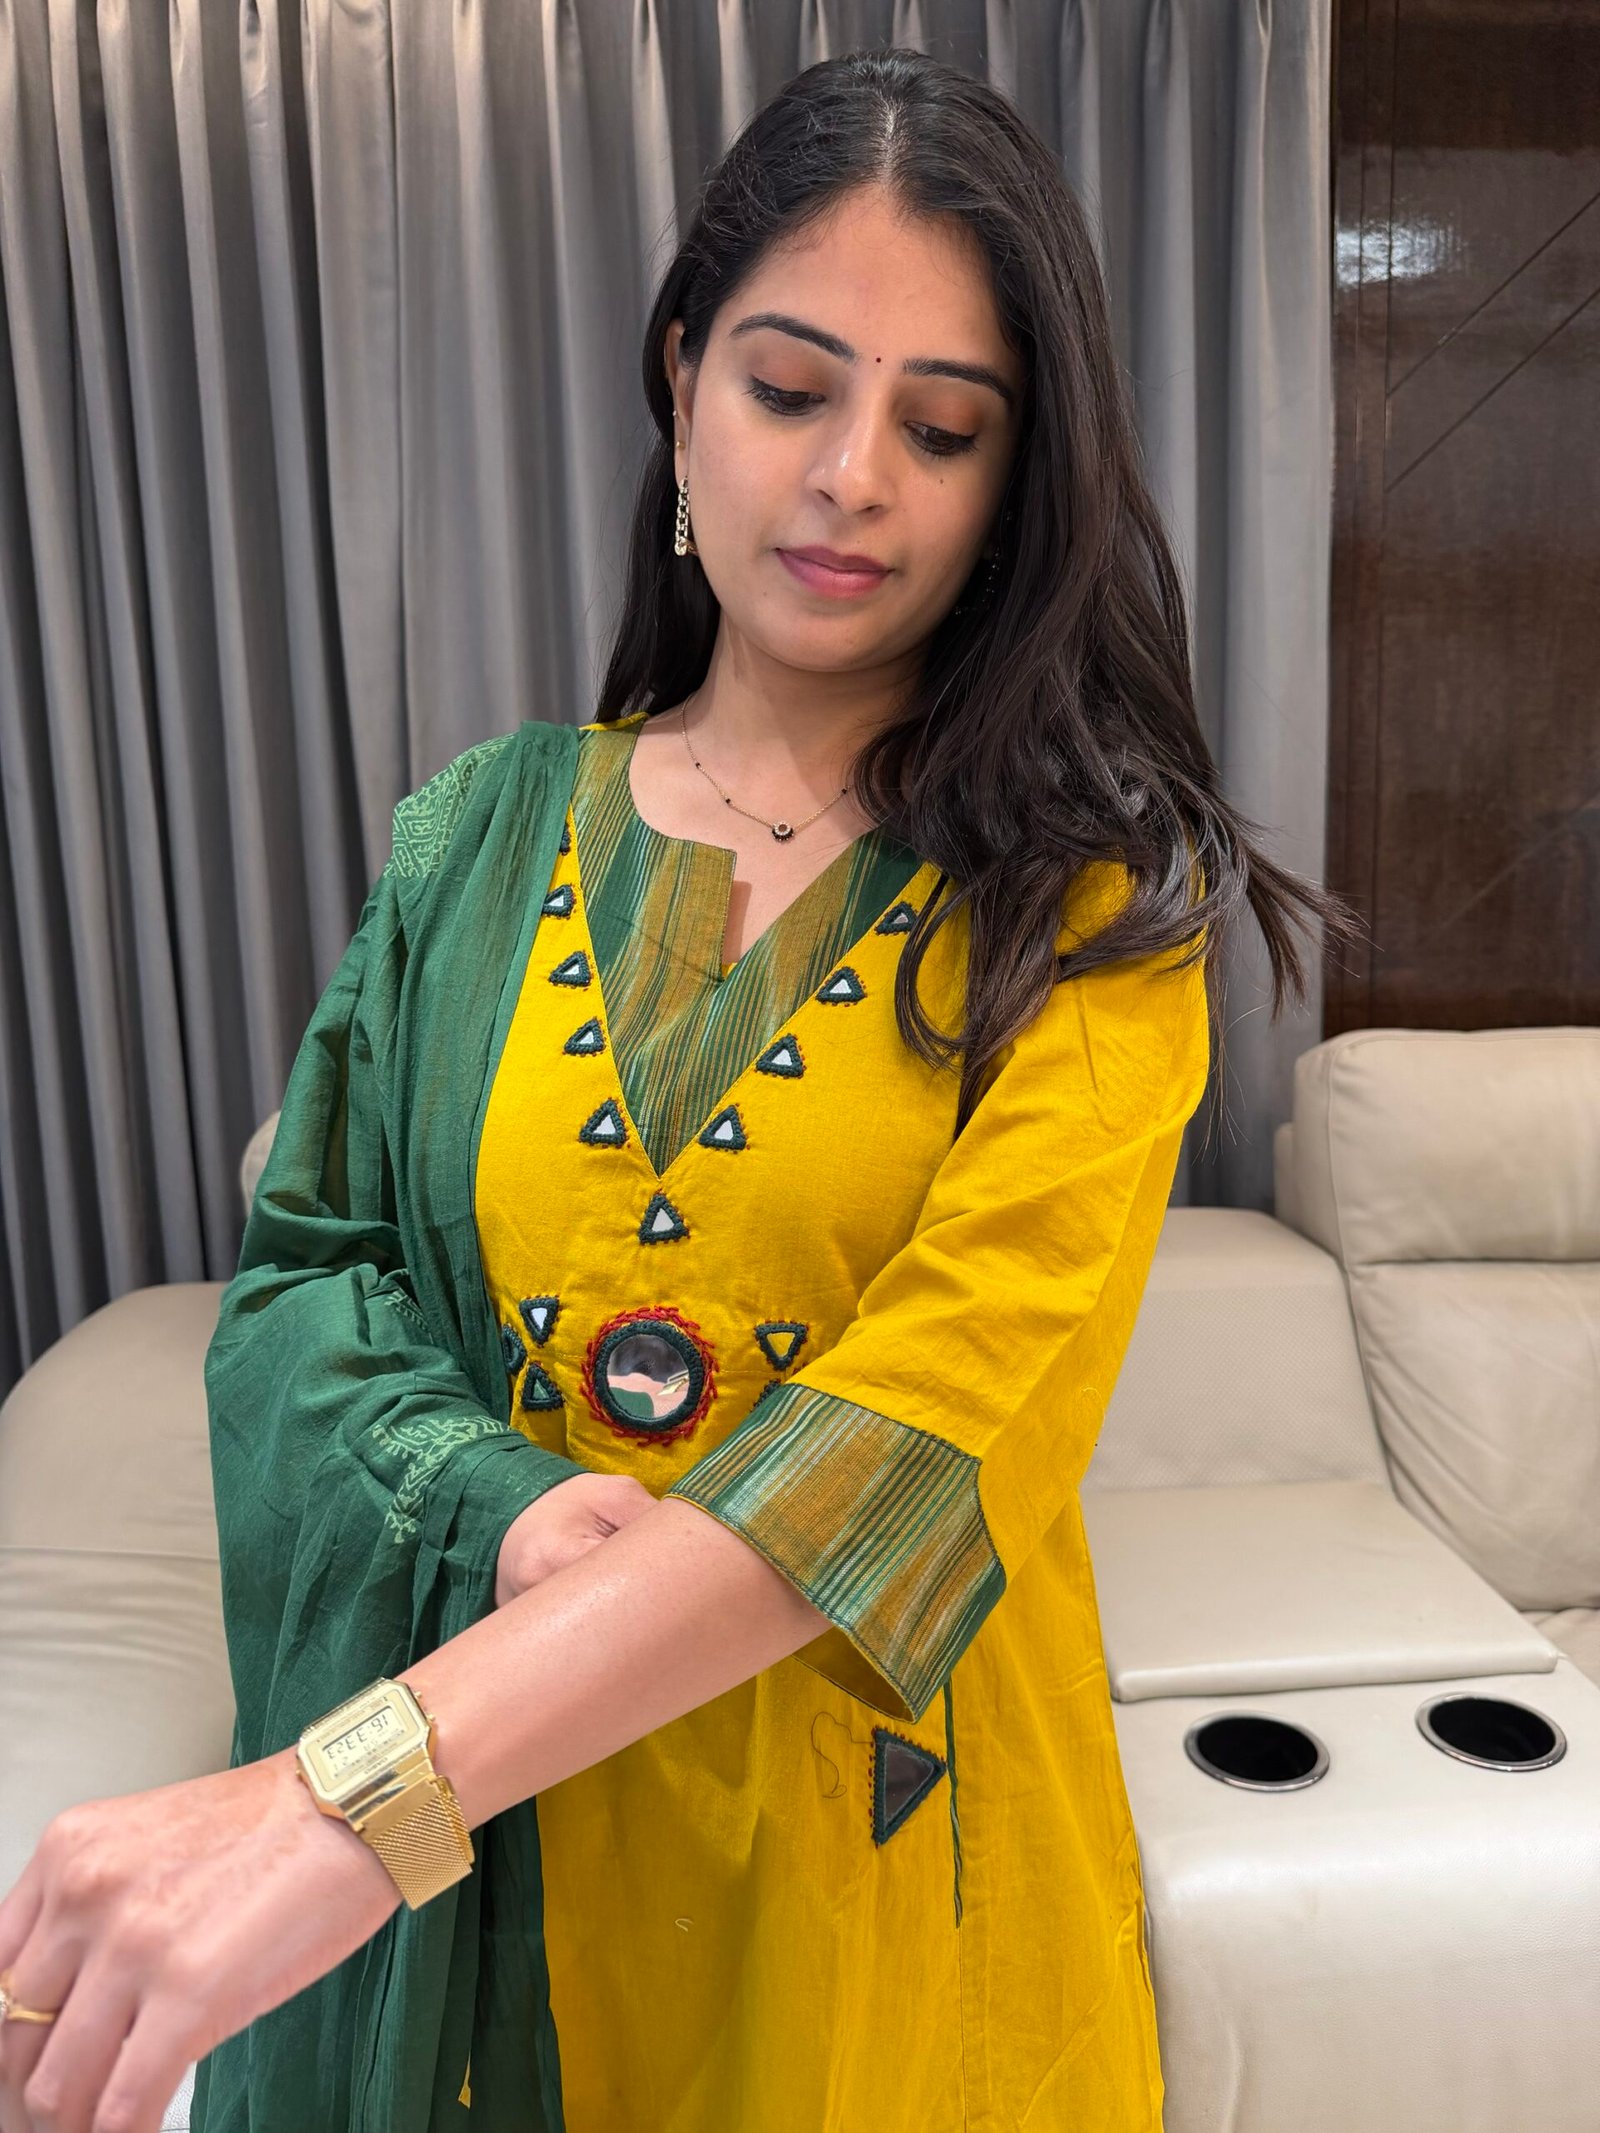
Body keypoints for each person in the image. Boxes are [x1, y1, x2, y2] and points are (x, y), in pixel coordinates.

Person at [0, 45, 1360, 2133]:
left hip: (885, 1866)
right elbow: (307, 1287)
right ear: (681, 379)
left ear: (1017, 481)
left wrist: (337, 1800)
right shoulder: (471, 841)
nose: (852, 477)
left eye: (943, 427)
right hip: (507, 1870)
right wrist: (494, 1504)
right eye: (790, 387)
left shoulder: (1087, 912)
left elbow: (923, 1436)